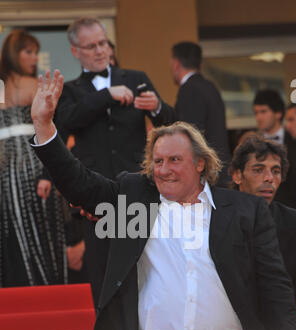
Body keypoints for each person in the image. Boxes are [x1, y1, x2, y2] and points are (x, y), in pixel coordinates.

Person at [30, 70, 296, 330]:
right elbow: (79, 183)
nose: (163, 170)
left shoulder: (244, 211)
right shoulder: (135, 198)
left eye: (174, 160)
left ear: (200, 164)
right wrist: (44, 127)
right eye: (157, 161)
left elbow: (276, 288)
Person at [54, 17, 172, 303]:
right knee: (105, 273)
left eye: (103, 43)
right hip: (97, 197)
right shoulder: (71, 91)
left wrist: (157, 108)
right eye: (91, 46)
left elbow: (172, 124)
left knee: (148, 269)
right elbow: (65, 122)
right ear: (75, 51)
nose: (99, 51)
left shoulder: (135, 77)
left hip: (139, 189)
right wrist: (106, 95)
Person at [0, 31, 67, 287]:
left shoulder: (36, 85)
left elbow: (54, 126)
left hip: (33, 163)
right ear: (12, 53)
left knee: (40, 225)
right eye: (27, 51)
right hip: (6, 167)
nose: (34, 57)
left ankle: (42, 289)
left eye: (35, 51)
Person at [229, 133, 296, 299]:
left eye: (276, 171)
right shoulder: (215, 219)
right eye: (258, 170)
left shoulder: (294, 223)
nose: (269, 178)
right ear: (237, 175)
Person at [153, 41, 231, 186]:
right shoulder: (211, 87)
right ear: (200, 65)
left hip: (206, 175)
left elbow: (191, 134)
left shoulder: (189, 90)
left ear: (176, 64)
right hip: (220, 170)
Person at [253, 89, 296, 209]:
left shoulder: (295, 138)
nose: (259, 117)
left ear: (278, 113)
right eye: (256, 113)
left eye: (263, 112)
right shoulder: (252, 144)